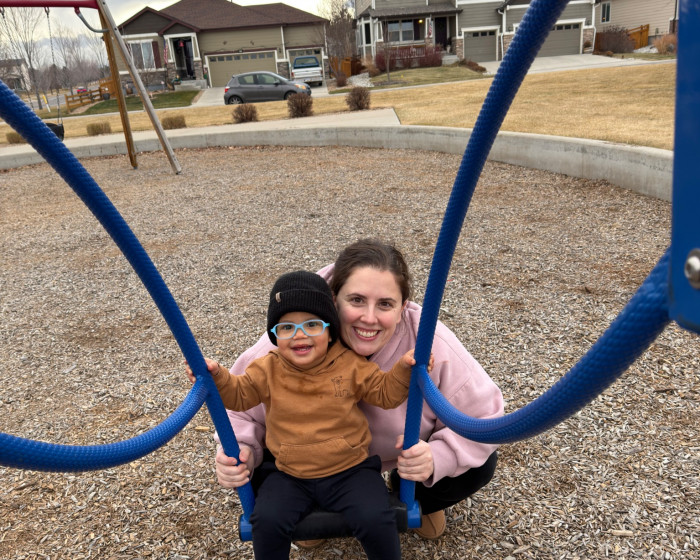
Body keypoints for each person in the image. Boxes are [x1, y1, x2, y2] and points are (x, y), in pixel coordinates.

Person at [216, 239, 504, 543]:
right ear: (333, 299)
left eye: (385, 304)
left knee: (477, 465)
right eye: (356, 300)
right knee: (252, 471)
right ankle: (306, 513)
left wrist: (436, 458)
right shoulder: (294, 341)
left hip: (394, 458)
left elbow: (485, 419)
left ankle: (417, 497)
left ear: (403, 307)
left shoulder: (429, 344)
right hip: (305, 460)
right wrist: (241, 451)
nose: (369, 318)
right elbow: (238, 408)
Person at [189, 270, 432, 559]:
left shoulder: (350, 364)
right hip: (290, 474)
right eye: (287, 327)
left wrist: (404, 369)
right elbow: (239, 395)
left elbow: (385, 393)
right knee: (266, 521)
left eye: (312, 324)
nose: (300, 335)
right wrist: (217, 377)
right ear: (275, 336)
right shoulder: (266, 369)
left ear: (330, 331)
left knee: (377, 518)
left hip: (351, 470)